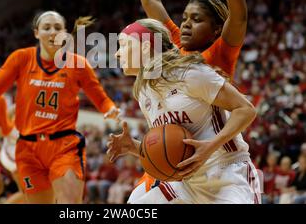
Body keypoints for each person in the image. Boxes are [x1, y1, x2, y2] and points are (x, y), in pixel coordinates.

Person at [124, 0, 249, 200]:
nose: (185, 24)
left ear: (217, 29)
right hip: (179, 161)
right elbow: (151, 0)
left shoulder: (219, 52)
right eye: (184, 18)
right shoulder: (175, 46)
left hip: (218, 160)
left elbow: (239, 16)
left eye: (196, 19)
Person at [107, 19, 260, 203]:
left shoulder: (189, 72)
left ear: (146, 47)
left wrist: (210, 146)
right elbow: (171, 145)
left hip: (227, 172)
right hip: (187, 182)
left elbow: (245, 109)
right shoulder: (144, 93)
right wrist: (136, 147)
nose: (116, 53)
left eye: (123, 45)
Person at [0, 10, 120, 203]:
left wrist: (109, 109)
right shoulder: (21, 58)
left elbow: (101, 99)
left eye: (58, 28)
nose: (53, 32)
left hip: (64, 146)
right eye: (47, 28)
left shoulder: (78, 64)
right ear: (36, 33)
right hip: (28, 149)